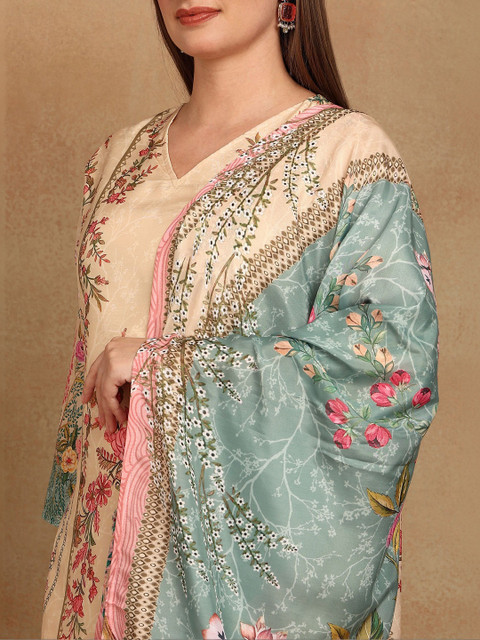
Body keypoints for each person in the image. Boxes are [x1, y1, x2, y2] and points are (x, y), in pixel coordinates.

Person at [41, 1, 439, 638]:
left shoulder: (346, 156)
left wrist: (163, 369)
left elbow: (391, 366)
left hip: (229, 593)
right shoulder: (117, 158)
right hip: (97, 555)